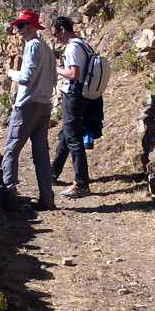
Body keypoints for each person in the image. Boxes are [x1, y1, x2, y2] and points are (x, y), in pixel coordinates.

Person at [0, 9, 57, 211]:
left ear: (32, 27)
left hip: (28, 105)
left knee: (11, 149)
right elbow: (54, 78)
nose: (18, 29)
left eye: (21, 25)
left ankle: (9, 196)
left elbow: (26, 76)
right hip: (44, 104)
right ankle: (47, 199)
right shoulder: (47, 49)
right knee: (41, 153)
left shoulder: (32, 46)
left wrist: (11, 73)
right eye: (18, 26)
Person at [49, 16, 93, 197]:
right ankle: (52, 173)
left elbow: (74, 74)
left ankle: (81, 184)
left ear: (63, 30)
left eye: (56, 34)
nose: (56, 38)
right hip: (84, 96)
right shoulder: (84, 45)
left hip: (73, 95)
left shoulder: (73, 47)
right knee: (66, 134)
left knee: (73, 139)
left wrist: (56, 69)